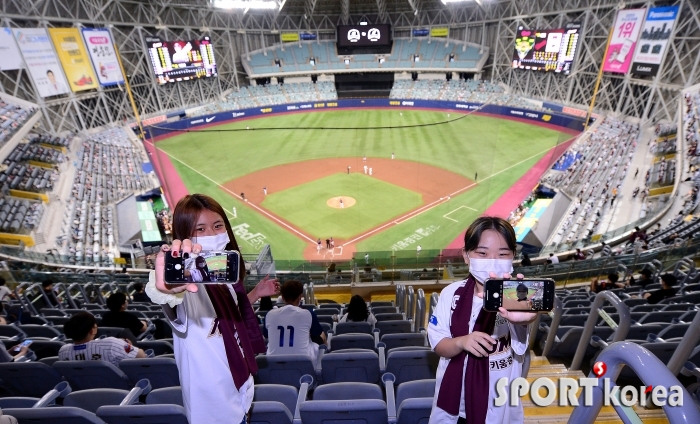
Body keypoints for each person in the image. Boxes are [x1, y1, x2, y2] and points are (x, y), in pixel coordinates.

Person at [146, 193, 280, 424]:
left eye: (217, 226)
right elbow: (169, 297)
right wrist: (169, 284)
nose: (211, 234)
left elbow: (228, 316)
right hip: (214, 409)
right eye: (200, 229)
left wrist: (256, 293)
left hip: (242, 389)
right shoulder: (187, 284)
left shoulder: (222, 275)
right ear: (184, 234)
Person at [428, 216, 535, 423]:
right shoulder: (450, 294)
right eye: (482, 253)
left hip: (499, 403)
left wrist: (522, 320)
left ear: (513, 256)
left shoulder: (520, 296)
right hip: (455, 401)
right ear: (467, 255)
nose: (492, 261)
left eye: (502, 254)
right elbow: (439, 345)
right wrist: (461, 341)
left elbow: (520, 343)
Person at [264, 280, 326, 363]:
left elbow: (266, 335)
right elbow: (317, 336)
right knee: (322, 335)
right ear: (300, 297)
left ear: (282, 297)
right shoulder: (308, 314)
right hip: (303, 363)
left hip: (274, 364)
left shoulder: (270, 314)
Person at [58, 311, 146, 366]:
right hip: (119, 391)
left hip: (79, 392)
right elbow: (141, 356)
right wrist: (124, 345)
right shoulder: (111, 344)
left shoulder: (63, 351)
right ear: (92, 331)